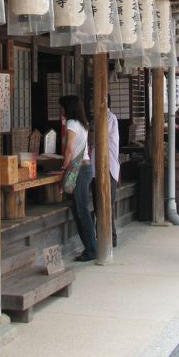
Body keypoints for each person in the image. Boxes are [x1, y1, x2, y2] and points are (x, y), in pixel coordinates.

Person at [59, 95, 97, 262]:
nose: (60, 110)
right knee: (78, 210)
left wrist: (63, 168)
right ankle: (89, 247)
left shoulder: (72, 123)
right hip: (85, 168)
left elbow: (69, 149)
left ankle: (91, 249)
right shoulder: (83, 123)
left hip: (79, 169)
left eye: (62, 107)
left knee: (81, 210)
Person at [90, 97, 120, 247]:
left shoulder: (108, 117)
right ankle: (103, 236)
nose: (91, 105)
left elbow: (99, 136)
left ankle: (109, 238)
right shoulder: (99, 118)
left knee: (105, 204)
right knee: (99, 204)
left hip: (106, 167)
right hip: (97, 167)